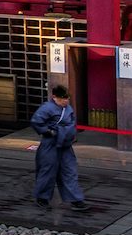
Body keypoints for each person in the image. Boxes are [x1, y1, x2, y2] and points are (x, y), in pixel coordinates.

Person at [31, 82, 91, 211]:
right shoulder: (47, 108)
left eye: (66, 98)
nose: (65, 101)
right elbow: (36, 121)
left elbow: (72, 123)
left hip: (65, 144)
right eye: (62, 98)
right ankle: (42, 197)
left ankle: (76, 199)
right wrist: (47, 131)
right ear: (55, 97)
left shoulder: (68, 109)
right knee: (47, 171)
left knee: (70, 171)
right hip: (50, 143)